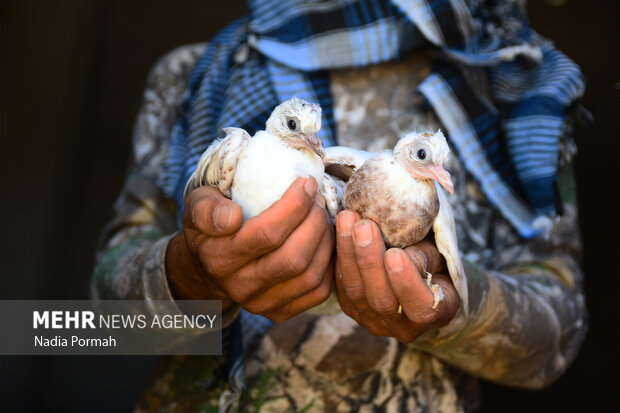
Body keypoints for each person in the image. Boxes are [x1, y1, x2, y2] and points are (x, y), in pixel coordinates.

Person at [92, 1, 588, 411]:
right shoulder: (197, 74)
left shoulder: (519, 87)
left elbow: (557, 340)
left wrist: (450, 296)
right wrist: (191, 277)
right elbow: (99, 324)